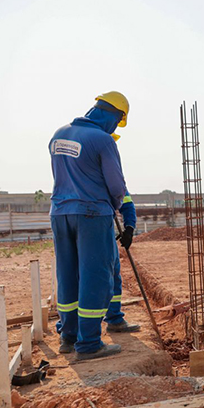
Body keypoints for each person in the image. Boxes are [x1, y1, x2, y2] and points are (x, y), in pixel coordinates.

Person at [49, 91, 130, 360]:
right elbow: (117, 186)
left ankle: (68, 337)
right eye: (119, 122)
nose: (116, 127)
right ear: (115, 115)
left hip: (60, 213)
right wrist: (118, 207)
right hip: (92, 215)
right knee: (96, 276)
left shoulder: (58, 134)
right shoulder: (103, 140)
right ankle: (90, 343)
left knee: (68, 275)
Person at [106, 188, 141, 333]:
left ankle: (69, 331)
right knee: (110, 274)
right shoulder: (107, 172)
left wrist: (129, 228)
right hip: (97, 226)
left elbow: (126, 202)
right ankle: (113, 319)